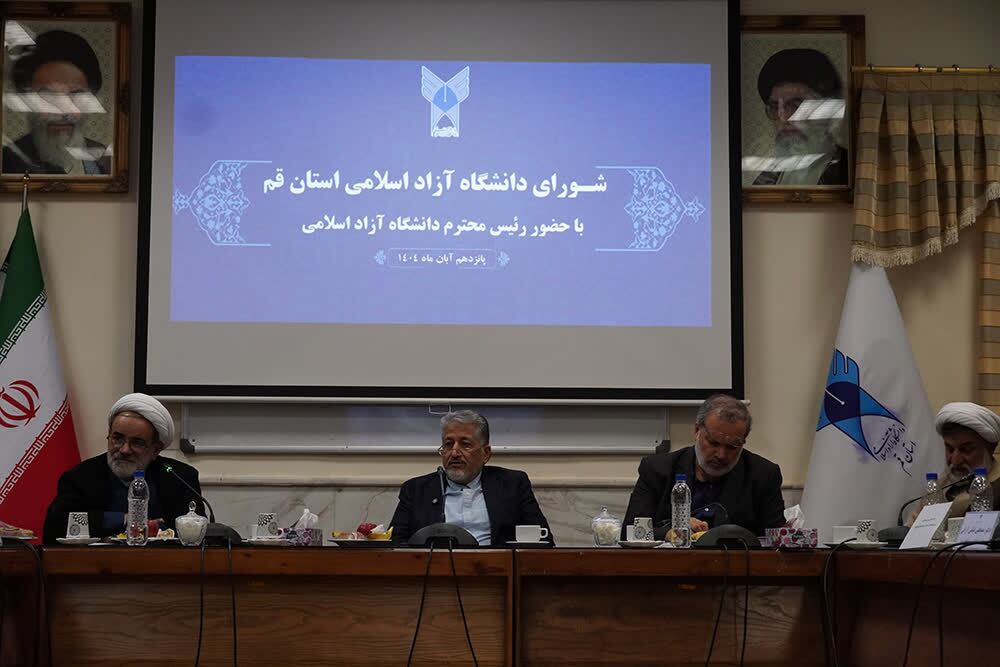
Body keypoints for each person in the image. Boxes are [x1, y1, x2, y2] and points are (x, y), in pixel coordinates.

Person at [42, 393, 203, 544]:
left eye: (137, 443)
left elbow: (196, 534)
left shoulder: (179, 477)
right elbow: (56, 526)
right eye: (117, 439)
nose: (124, 450)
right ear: (109, 436)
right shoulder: (80, 477)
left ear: (155, 449)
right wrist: (125, 520)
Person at [623, 394, 785, 540]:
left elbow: (776, 539)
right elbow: (630, 531)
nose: (721, 455)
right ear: (696, 431)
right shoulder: (657, 469)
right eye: (714, 443)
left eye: (732, 447)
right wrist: (671, 532)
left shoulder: (764, 475)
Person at [389, 409, 553, 546]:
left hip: (495, 570)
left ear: (485, 453)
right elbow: (395, 545)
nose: (454, 453)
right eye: (448, 444)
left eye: (465, 444)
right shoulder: (416, 490)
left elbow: (543, 541)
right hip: (434, 571)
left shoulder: (512, 484)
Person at [2, 29, 111, 175]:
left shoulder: (102, 158)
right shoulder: (9, 161)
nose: (63, 111)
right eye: (48, 96)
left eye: (76, 95)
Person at [750, 48, 848, 187]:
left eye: (795, 106)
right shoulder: (766, 178)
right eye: (775, 107)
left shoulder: (851, 171)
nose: (783, 119)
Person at [906, 402, 1000, 525]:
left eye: (966, 450)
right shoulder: (944, 482)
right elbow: (912, 528)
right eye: (950, 449)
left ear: (990, 449)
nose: (955, 461)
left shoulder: (996, 488)